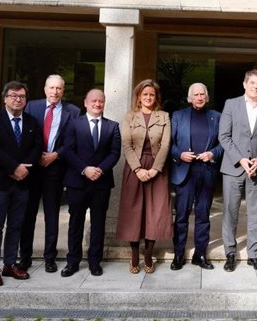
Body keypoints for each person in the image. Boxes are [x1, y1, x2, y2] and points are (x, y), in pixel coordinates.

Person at [0, 81, 42, 286]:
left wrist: (24, 169)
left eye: (22, 96)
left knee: (16, 226)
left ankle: (9, 264)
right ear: (5, 98)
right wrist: (14, 167)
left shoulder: (33, 122)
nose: (18, 99)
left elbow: (37, 148)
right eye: (13, 95)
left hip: (24, 182)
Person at [19, 74, 80, 273]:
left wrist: (55, 155)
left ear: (64, 91)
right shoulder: (30, 107)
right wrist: (35, 156)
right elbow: (22, 136)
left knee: (52, 214)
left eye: (59, 88)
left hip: (55, 169)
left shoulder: (73, 111)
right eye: (51, 88)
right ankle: (25, 257)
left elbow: (73, 141)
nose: (55, 92)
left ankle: (49, 258)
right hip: (31, 168)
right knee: (28, 214)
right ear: (45, 89)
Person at [218, 69, 257, 272]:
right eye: (252, 83)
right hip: (234, 167)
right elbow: (224, 136)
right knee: (230, 212)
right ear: (245, 84)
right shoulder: (231, 104)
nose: (255, 86)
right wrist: (241, 159)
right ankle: (230, 253)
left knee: (255, 213)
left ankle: (253, 255)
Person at [60, 89, 121, 277]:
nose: (97, 104)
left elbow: (114, 153)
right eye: (93, 100)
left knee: (98, 224)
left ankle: (95, 262)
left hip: (101, 183)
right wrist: (84, 169)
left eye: (101, 101)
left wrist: (100, 170)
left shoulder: (113, 126)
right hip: (77, 181)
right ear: (85, 103)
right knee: (75, 222)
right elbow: (68, 150)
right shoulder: (73, 124)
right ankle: (73, 262)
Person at [116, 79, 172, 274]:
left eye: (152, 95)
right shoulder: (130, 117)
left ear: (156, 97)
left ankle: (148, 254)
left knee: (154, 213)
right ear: (139, 97)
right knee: (134, 213)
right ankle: (134, 256)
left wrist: (155, 169)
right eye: (145, 94)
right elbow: (126, 144)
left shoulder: (164, 116)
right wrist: (138, 169)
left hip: (157, 170)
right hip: (135, 169)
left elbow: (165, 145)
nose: (148, 97)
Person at [169, 83, 223, 271]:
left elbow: (223, 143)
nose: (199, 97)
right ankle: (178, 254)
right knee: (182, 216)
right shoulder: (178, 116)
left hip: (206, 172)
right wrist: (179, 154)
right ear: (189, 98)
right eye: (196, 94)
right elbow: (169, 144)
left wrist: (212, 154)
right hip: (185, 172)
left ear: (207, 97)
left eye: (202, 94)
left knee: (203, 216)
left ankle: (200, 254)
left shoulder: (216, 117)